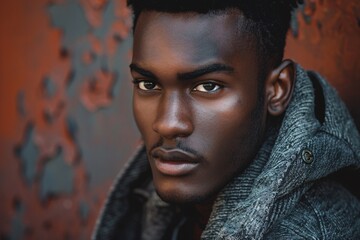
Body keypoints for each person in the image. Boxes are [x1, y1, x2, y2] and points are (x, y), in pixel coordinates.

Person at [93, 0, 360, 239]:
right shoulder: (156, 199)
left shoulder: (315, 231)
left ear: (276, 90)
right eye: (148, 84)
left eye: (208, 87)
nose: (168, 123)